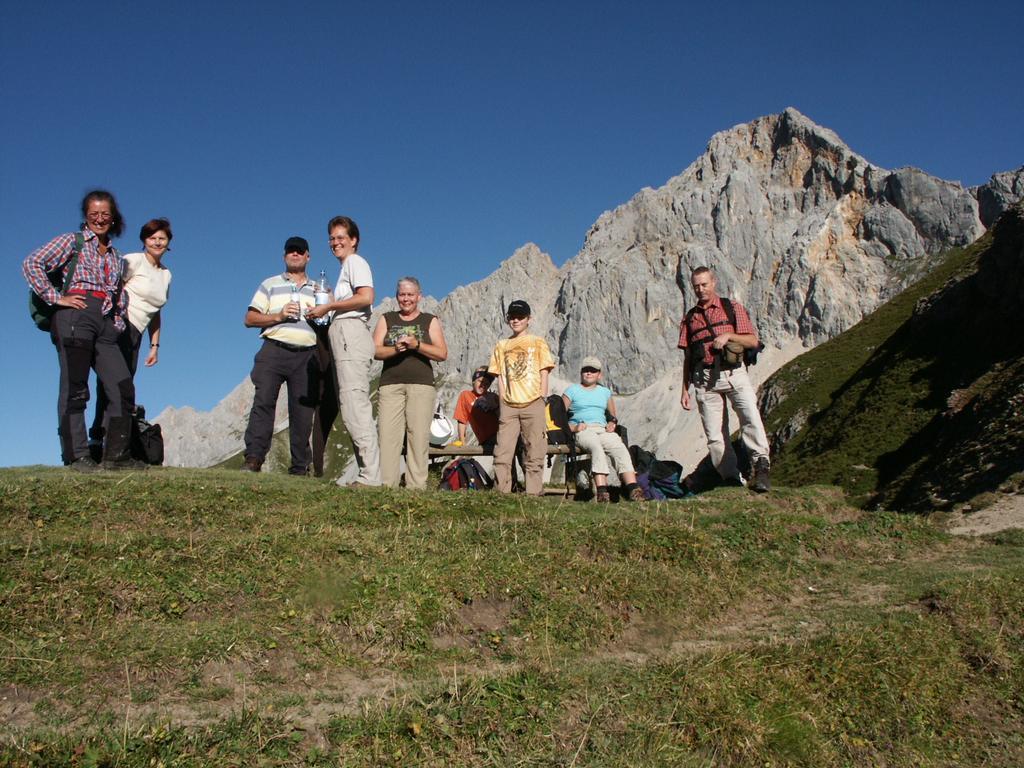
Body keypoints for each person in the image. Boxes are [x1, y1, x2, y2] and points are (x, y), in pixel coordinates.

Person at [23, 189, 140, 472]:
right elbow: (32, 262)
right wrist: (56, 298)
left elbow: (118, 293)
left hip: (105, 324)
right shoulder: (72, 241)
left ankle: (116, 456)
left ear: (113, 218)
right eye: (93, 214)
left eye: (105, 214)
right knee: (76, 387)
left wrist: (117, 320)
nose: (99, 219)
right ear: (86, 217)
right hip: (74, 316)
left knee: (122, 384)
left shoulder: (116, 255)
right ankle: (77, 456)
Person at [679, 266, 770, 492]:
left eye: (704, 284)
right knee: (715, 436)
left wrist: (729, 335)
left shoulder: (732, 308)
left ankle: (761, 468)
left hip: (733, 374)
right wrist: (684, 390)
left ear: (714, 282)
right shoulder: (689, 318)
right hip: (703, 379)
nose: (700, 290)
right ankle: (731, 479)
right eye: (696, 286)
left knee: (750, 417)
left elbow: (752, 341)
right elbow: (688, 357)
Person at [305, 216, 381, 487]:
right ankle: (368, 474)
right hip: (345, 335)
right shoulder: (345, 268)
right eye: (332, 238)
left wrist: (329, 307)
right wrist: (329, 302)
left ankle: (371, 477)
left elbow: (366, 297)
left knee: (353, 405)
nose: (335, 242)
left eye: (340, 237)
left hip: (350, 335)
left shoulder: (354, 262)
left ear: (353, 240)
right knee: (352, 406)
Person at [90, 218, 173, 448]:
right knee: (113, 384)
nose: (157, 242)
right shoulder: (133, 261)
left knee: (122, 385)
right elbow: (110, 287)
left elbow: (156, 311)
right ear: (144, 240)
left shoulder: (166, 275)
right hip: (119, 325)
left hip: (136, 334)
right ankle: (99, 438)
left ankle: (109, 441)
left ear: (168, 242)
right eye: (152, 237)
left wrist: (154, 346)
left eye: (162, 238)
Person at [242, 236, 318, 475]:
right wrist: (278, 316)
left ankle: (299, 467)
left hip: (307, 354)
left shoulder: (319, 288)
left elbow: (329, 321)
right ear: (284, 256)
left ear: (308, 256)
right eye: (290, 251)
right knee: (263, 402)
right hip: (273, 350)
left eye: (300, 251)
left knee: (302, 412)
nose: (295, 255)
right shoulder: (270, 283)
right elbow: (250, 318)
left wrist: (321, 314)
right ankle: (253, 459)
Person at [373, 277, 448, 488]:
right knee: (388, 437)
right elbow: (375, 350)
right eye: (402, 295)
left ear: (418, 296)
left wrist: (416, 345)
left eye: (410, 295)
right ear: (397, 296)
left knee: (418, 436)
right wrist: (395, 349)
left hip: (421, 385)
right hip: (390, 385)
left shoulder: (429, 320)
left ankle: (417, 487)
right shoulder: (386, 318)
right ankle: (388, 486)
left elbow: (442, 353)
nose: (406, 299)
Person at [487, 300, 555, 495]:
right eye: (512, 317)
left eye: (520, 317)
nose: (515, 320)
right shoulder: (502, 345)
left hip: (533, 402)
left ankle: (533, 493)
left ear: (528, 319)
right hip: (508, 404)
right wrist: (502, 400)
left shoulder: (537, 341)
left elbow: (544, 371)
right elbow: (500, 375)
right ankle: (502, 492)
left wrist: (542, 398)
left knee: (534, 449)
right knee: (502, 450)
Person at [562, 357, 645, 502]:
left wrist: (612, 423)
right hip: (583, 429)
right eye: (585, 370)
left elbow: (612, 415)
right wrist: (574, 427)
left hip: (601, 429)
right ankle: (602, 491)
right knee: (596, 446)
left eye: (592, 371)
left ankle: (633, 488)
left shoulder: (605, 392)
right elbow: (558, 415)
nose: (588, 373)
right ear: (581, 372)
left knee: (618, 446)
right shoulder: (572, 390)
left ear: (599, 374)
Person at [453, 367, 500, 450]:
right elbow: (462, 421)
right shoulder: (465, 395)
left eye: (487, 384)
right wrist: (462, 443)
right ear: (473, 380)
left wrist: (496, 405)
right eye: (480, 381)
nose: (483, 385)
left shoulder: (493, 397)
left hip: (501, 435)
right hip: (487, 440)